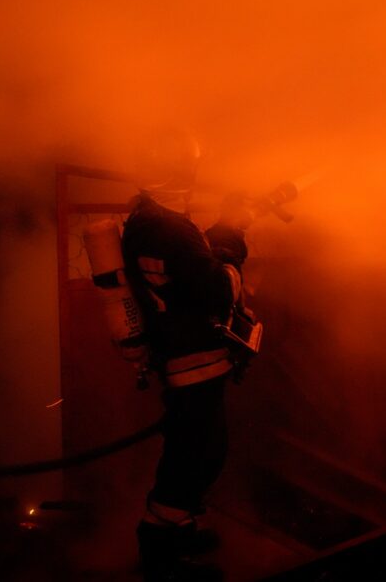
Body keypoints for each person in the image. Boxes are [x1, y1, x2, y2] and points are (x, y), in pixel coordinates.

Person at [121, 130, 252, 581]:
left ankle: (179, 527)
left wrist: (223, 226)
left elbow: (190, 266)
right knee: (193, 456)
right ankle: (161, 554)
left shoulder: (153, 220)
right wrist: (233, 236)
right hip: (191, 361)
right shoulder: (167, 226)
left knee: (202, 450)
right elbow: (216, 286)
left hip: (190, 358)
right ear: (182, 169)